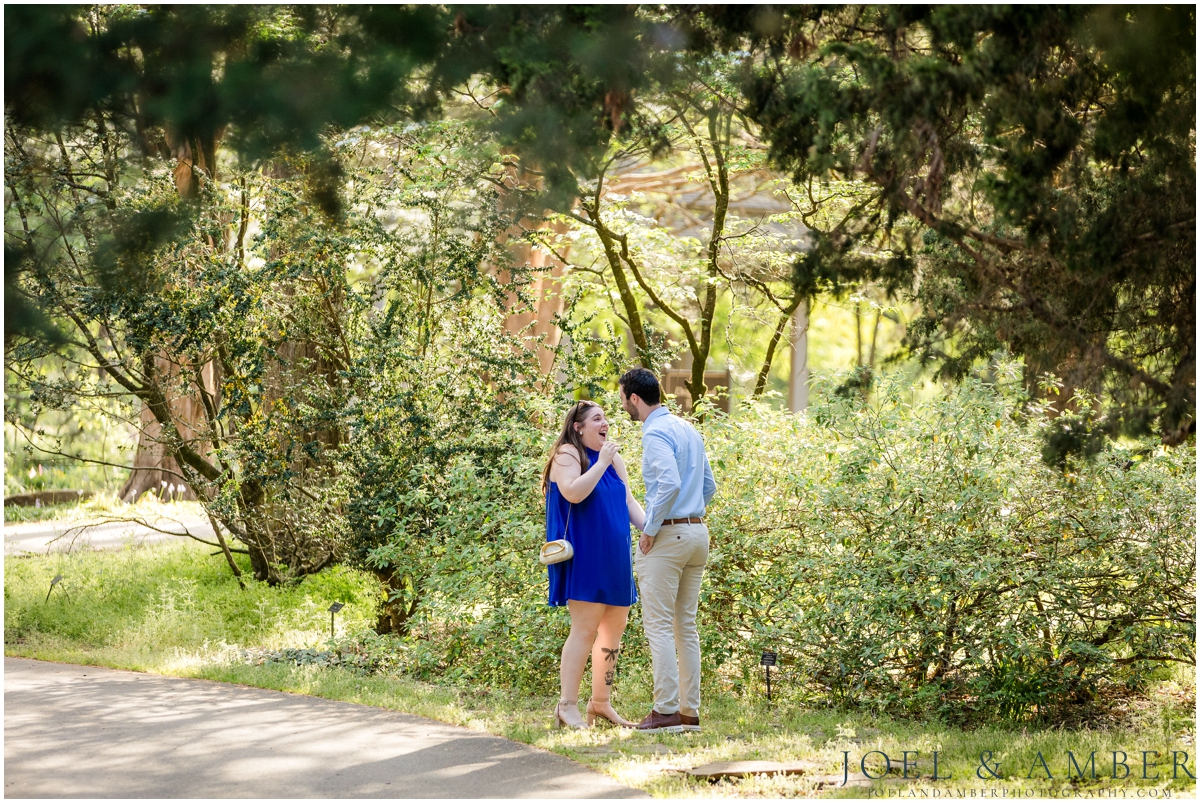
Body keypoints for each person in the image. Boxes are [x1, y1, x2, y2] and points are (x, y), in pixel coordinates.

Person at [618, 368, 717, 734]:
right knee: (685, 627)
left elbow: (670, 483)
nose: (623, 405)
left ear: (634, 399)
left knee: (658, 625)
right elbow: (709, 485)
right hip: (697, 534)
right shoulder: (688, 429)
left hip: (670, 537)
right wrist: (692, 512)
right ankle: (689, 712)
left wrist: (652, 528)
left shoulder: (655, 432)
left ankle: (665, 711)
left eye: (623, 399)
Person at [543, 400, 646, 729]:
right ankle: (567, 705)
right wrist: (601, 462)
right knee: (585, 630)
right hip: (587, 555)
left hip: (616, 556)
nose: (605, 423)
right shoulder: (568, 454)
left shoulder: (613, 457)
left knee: (613, 633)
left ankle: (600, 703)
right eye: (597, 419)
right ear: (578, 426)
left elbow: (628, 501)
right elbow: (573, 493)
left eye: (606, 418)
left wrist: (653, 528)